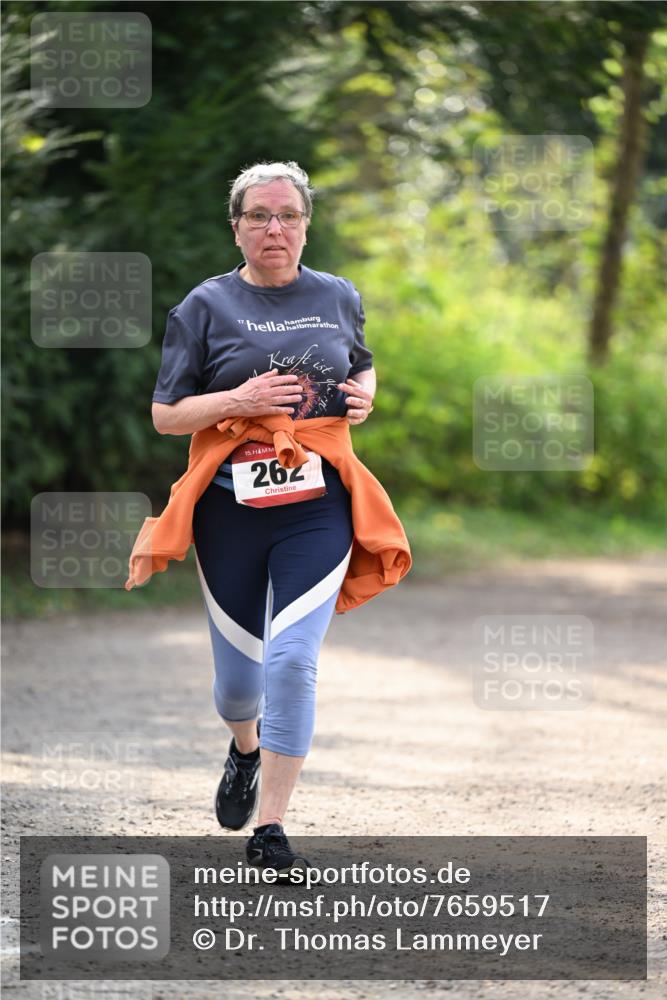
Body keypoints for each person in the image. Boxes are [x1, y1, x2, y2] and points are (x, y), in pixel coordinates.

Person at [149, 161, 398, 876]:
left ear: (305, 225)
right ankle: (244, 749)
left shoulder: (337, 294)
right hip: (228, 511)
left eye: (288, 215)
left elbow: (361, 362)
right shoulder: (203, 306)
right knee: (238, 686)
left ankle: (272, 827)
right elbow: (167, 415)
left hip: (318, 509)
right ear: (237, 227)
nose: (274, 228)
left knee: (291, 661)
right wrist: (240, 400)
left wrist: (365, 394)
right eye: (258, 216)